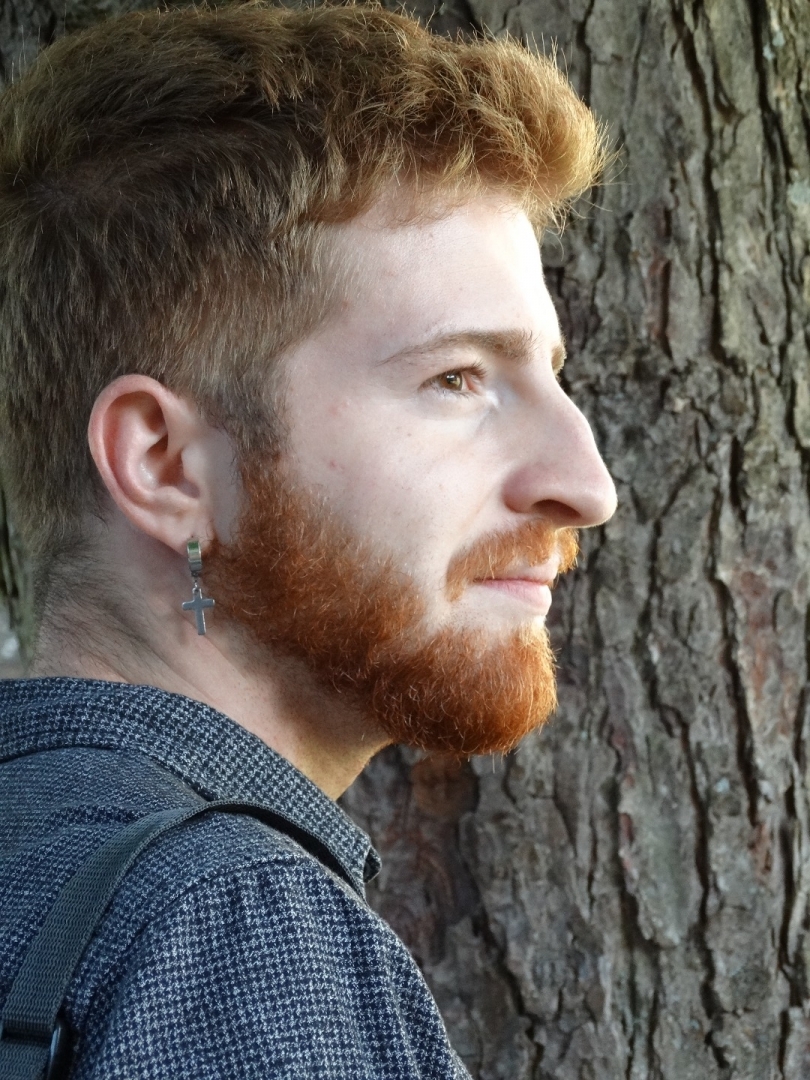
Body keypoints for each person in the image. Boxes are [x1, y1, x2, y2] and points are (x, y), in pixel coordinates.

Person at [0, 3, 617, 1076]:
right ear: (166, 465)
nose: (585, 487)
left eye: (549, 377)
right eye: (457, 379)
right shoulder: (229, 924)